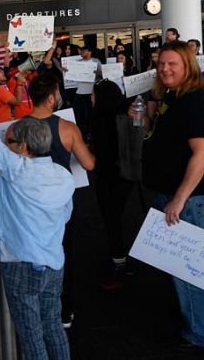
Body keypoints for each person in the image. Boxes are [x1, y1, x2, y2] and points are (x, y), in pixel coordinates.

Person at [0, 72, 75, 360]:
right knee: (53, 327)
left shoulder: (17, 170)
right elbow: (65, 216)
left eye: (9, 143)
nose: (5, 147)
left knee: (30, 334)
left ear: (23, 147)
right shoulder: (63, 176)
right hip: (53, 262)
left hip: (19, 262)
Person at [131, 40, 204, 348]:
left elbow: (203, 153)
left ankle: (202, 336)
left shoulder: (194, 99)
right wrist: (143, 120)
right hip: (173, 195)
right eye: (162, 64)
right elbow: (160, 138)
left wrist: (180, 198)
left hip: (188, 202)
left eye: (173, 64)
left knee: (192, 274)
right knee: (180, 270)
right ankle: (192, 327)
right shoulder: (173, 96)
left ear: (188, 67)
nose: (165, 69)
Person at [26, 72, 95, 327]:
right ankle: (63, 311)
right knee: (64, 252)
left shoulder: (17, 128)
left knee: (33, 255)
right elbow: (88, 163)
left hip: (30, 204)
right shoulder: (67, 128)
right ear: (53, 97)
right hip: (61, 204)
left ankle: (37, 309)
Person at [90, 79, 133, 290]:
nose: (92, 98)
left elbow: (101, 155)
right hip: (128, 176)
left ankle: (119, 264)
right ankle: (121, 260)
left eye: (94, 94)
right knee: (118, 218)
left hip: (109, 177)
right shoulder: (127, 114)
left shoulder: (100, 120)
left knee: (112, 220)